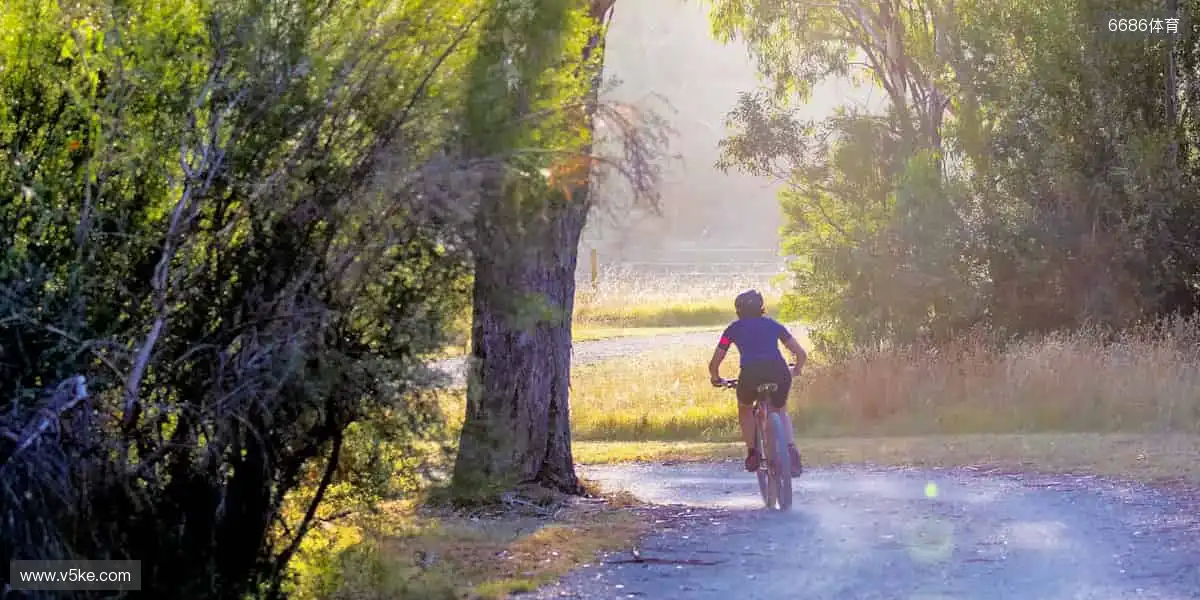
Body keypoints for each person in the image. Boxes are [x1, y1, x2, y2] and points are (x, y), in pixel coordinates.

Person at [707, 289, 806, 476]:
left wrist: (716, 378)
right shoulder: (773, 325)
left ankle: (753, 453)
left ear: (738, 310)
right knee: (779, 409)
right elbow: (800, 354)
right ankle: (791, 450)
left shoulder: (733, 330)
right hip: (779, 371)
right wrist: (797, 369)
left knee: (745, 408)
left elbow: (715, 362)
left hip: (751, 374)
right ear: (761, 307)